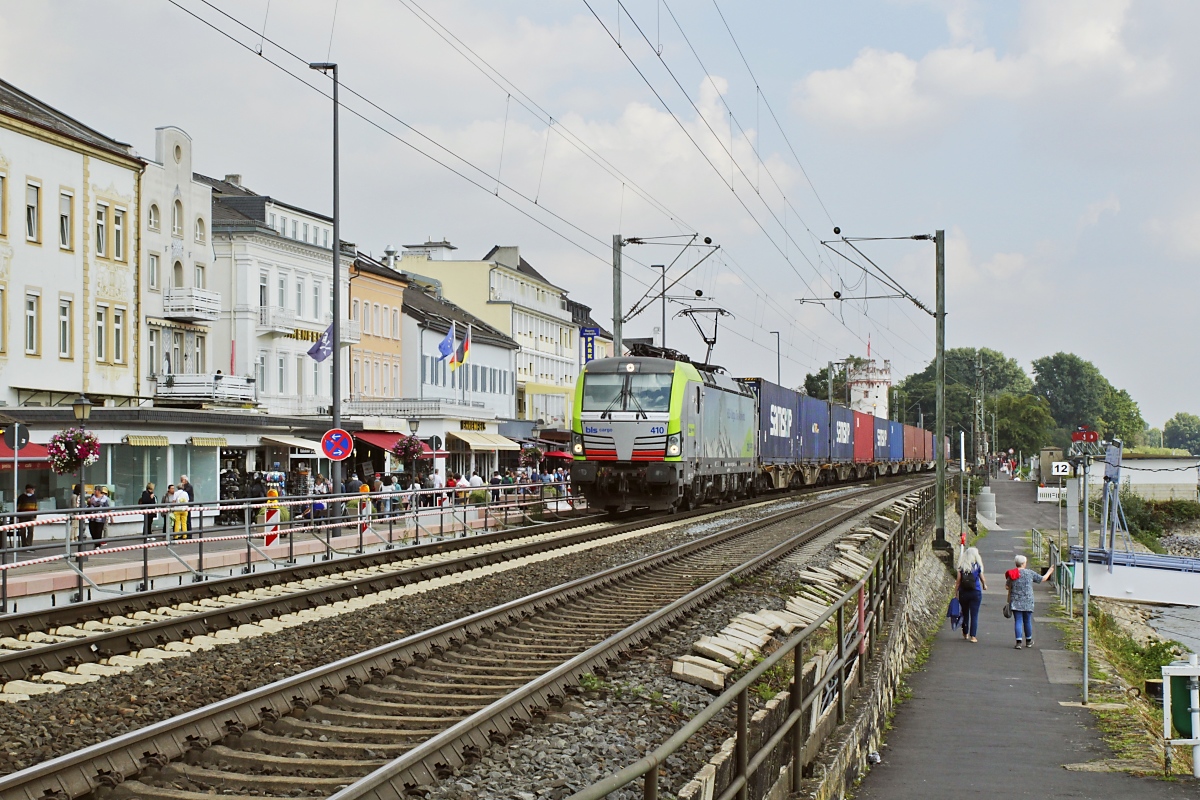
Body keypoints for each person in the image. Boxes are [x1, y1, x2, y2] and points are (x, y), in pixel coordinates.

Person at [1006, 554, 1054, 649]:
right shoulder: (1029, 573)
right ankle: (1028, 640)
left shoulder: (1012, 573)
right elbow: (1043, 579)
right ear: (1023, 563)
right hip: (1028, 600)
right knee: (1027, 620)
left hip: (1016, 600)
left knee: (1018, 621)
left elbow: (1007, 586)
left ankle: (1018, 642)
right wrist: (1050, 571)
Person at [955, 547, 987, 642]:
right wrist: (984, 585)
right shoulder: (977, 566)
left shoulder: (961, 567)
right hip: (975, 592)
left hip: (964, 592)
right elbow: (982, 578)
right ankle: (973, 636)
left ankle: (965, 633)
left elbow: (958, 581)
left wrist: (956, 593)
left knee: (965, 613)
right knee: (974, 614)